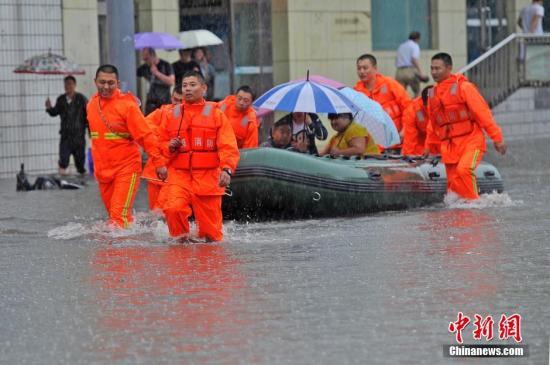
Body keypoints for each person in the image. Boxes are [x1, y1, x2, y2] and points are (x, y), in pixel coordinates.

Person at [156, 71, 239, 242]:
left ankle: (210, 267)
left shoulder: (216, 114)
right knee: (173, 209)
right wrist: (169, 147)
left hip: (208, 177)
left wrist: (227, 169)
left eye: (192, 85)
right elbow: (159, 144)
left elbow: (228, 145)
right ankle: (181, 251)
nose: (187, 89)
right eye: (184, 85)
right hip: (180, 175)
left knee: (211, 236)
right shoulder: (171, 114)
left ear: (204, 88)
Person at [87, 64, 168, 228]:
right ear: (95, 82)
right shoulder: (91, 105)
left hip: (126, 168)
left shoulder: (127, 106)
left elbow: (145, 136)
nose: (106, 87)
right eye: (102, 82)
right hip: (103, 172)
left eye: (111, 83)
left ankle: (123, 252)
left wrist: (159, 163)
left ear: (118, 83)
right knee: (114, 217)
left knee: (118, 217)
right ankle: (126, 250)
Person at [423, 53, 507, 200]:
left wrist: (497, 138)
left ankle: (475, 205)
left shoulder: (464, 87)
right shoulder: (432, 94)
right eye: (432, 68)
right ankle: (462, 217)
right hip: (449, 146)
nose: (434, 72)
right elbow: (433, 123)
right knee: (454, 185)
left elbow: (482, 113)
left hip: (471, 141)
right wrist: (428, 146)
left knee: (464, 170)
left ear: (449, 68)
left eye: (438, 68)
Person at [142, 87, 184, 211]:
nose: (177, 103)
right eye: (175, 99)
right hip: (155, 171)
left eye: (181, 101)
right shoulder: (161, 113)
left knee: (166, 211)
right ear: (171, 98)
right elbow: (144, 130)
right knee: (155, 214)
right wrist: (163, 139)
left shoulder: (190, 117)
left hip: (175, 173)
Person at [354, 54, 411, 141]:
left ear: (375, 68)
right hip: (373, 146)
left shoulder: (389, 84)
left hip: (397, 141)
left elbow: (408, 108)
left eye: (365, 68)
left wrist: (405, 130)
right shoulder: (356, 92)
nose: (362, 71)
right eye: (359, 68)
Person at [45, 75, 88, 175]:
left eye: (70, 84)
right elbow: (55, 112)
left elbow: (89, 115)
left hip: (79, 137)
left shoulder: (81, 99)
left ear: (74, 85)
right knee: (63, 161)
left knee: (80, 165)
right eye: (66, 84)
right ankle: (62, 184)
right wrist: (49, 108)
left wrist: (91, 131)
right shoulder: (61, 99)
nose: (67, 86)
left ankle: (84, 184)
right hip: (66, 137)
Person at [401, 85, 439, 156]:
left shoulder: (447, 105)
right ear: (425, 104)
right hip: (422, 151)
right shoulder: (412, 111)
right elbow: (409, 145)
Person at [137, 47, 175, 115]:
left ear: (152, 55)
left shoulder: (166, 65)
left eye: (146, 59)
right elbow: (133, 74)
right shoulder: (145, 67)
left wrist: (157, 73)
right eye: (144, 59)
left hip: (164, 103)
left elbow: (171, 81)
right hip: (151, 104)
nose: (145, 61)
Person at [395, 31, 429, 97]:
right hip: (410, 71)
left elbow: (397, 59)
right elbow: (414, 59)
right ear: (417, 39)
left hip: (399, 72)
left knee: (400, 94)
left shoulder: (401, 46)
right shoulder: (414, 45)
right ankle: (414, 106)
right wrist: (420, 72)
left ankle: (403, 107)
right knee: (418, 92)